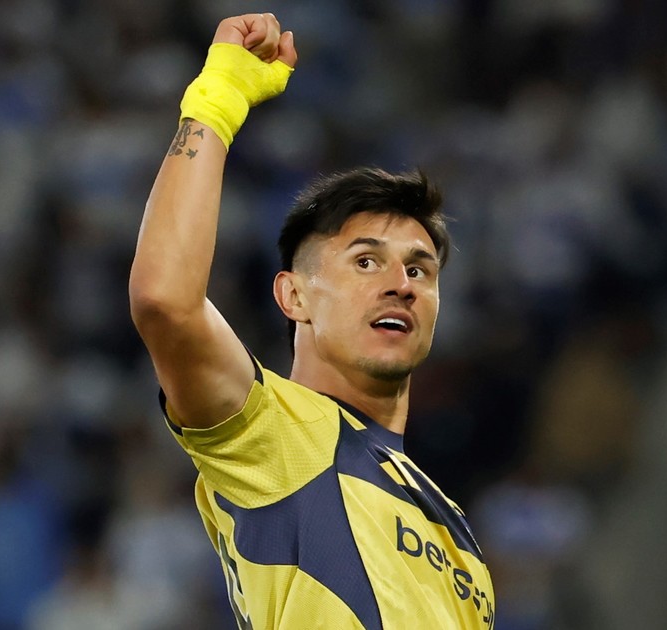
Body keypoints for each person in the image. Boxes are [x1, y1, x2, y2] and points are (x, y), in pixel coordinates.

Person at [128, 13, 495, 629]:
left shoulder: (460, 537)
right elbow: (165, 301)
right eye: (366, 262)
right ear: (294, 296)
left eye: (419, 269)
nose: (401, 284)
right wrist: (219, 96)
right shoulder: (277, 433)